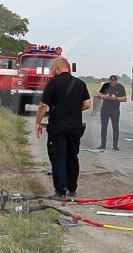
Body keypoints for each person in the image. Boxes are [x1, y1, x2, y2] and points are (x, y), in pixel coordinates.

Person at [35, 57, 91, 200]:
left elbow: (43, 106)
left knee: (58, 157)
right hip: (75, 127)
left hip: (58, 127)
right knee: (72, 157)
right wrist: (72, 109)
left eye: (53, 69)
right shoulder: (80, 83)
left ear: (58, 68)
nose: (52, 72)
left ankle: (60, 191)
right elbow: (87, 104)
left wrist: (38, 122)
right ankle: (72, 189)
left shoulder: (53, 83)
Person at [97, 74, 127, 150]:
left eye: (113, 81)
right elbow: (99, 95)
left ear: (116, 81)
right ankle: (103, 144)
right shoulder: (105, 85)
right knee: (104, 127)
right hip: (105, 109)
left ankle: (115, 146)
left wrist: (116, 98)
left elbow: (124, 98)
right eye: (111, 81)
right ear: (109, 80)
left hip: (115, 110)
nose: (112, 83)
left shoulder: (120, 87)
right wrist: (106, 97)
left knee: (115, 127)